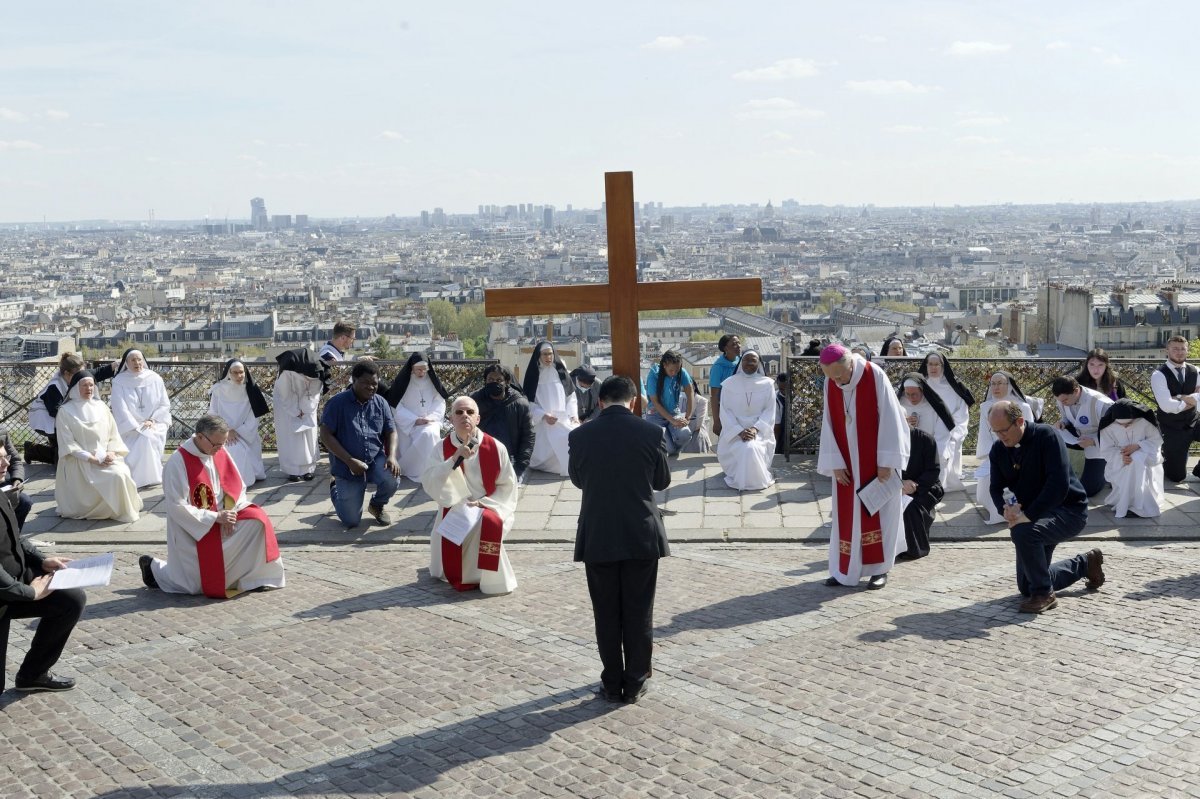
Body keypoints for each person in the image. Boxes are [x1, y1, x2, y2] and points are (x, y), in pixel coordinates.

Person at [569, 376, 671, 703]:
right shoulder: (652, 432)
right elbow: (661, 480)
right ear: (634, 400)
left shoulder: (580, 435)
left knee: (606, 612)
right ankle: (637, 679)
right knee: (639, 611)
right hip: (640, 531)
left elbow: (578, 479)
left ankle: (612, 682)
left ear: (600, 401)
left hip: (598, 531)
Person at [140, 415, 284, 597]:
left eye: (222, 444)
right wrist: (215, 518)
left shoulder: (219, 451)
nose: (220, 449)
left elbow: (236, 486)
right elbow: (176, 506)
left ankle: (253, 578)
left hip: (223, 515)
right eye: (216, 444)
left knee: (258, 521)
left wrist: (230, 513)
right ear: (200, 437)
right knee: (192, 586)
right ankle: (154, 569)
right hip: (194, 528)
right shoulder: (178, 462)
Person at [986, 400, 1104, 613]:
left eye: (1003, 430)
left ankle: (1044, 594)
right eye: (995, 432)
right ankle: (1085, 564)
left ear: (1020, 421)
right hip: (1036, 515)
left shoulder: (1047, 436)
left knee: (1023, 532)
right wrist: (1005, 509)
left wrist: (1027, 516)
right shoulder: (998, 449)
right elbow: (995, 487)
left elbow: (1058, 486)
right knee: (1025, 586)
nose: (1000, 437)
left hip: (1068, 510)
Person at [817, 344, 909, 590]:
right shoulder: (831, 383)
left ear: (849, 364)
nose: (837, 381)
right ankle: (844, 571)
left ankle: (880, 570)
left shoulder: (874, 375)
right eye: (831, 377)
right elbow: (828, 423)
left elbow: (892, 418)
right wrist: (834, 463)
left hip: (876, 464)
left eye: (839, 375)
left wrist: (887, 461)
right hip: (847, 464)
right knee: (846, 518)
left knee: (881, 516)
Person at [421, 396, 518, 594]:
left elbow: (508, 486)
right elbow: (430, 480)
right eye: (459, 412)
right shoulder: (441, 448)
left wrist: (484, 503)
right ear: (450, 419)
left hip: (488, 504)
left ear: (478, 419)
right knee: (456, 526)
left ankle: (488, 578)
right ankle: (460, 573)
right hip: (454, 504)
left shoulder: (496, 448)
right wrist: (453, 459)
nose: (465, 416)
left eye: (470, 412)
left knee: (487, 523)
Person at [1, 492, 85, 693]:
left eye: (5, 457)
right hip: (5, 592)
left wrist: (40, 560)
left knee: (71, 600)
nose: (6, 463)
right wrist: (30, 593)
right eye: (0, 459)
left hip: (16, 579)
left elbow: (14, 536)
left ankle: (33, 674)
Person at [319, 361, 400, 527]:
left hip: (374, 458)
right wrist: (349, 461)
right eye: (365, 383)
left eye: (374, 384)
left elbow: (391, 431)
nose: (371, 387)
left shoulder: (380, 403)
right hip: (346, 464)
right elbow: (325, 435)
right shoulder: (336, 403)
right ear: (353, 380)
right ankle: (335, 487)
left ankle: (377, 505)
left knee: (392, 478)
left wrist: (391, 456)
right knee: (351, 520)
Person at [54, 371, 142, 523]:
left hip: (105, 457)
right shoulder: (64, 412)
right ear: (75, 387)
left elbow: (113, 435)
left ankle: (120, 508)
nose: (88, 389)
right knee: (116, 476)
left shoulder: (102, 407)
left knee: (122, 473)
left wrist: (112, 453)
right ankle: (111, 509)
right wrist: (92, 459)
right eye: (84, 386)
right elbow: (68, 444)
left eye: (91, 385)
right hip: (80, 461)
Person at [975, 372, 1036, 524]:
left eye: (1000, 383)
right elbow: (984, 435)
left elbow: (1028, 434)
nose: (996, 387)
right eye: (993, 384)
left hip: (1020, 453)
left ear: (1009, 385)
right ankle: (1001, 510)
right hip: (995, 453)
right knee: (984, 493)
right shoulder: (985, 407)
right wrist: (992, 455)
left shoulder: (1023, 407)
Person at [109, 348, 171, 488]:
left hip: (155, 422)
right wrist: (135, 426)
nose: (137, 363)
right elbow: (120, 408)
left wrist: (152, 420)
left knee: (147, 436)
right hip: (130, 426)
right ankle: (139, 477)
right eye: (133, 360)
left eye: (139, 359)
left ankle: (151, 477)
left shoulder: (155, 378)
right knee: (144, 437)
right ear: (126, 363)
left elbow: (164, 403)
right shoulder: (119, 381)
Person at [384, 352, 449, 481]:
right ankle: (411, 469)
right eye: (418, 370)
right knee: (422, 435)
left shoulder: (431, 382)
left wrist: (431, 417)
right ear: (412, 369)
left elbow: (440, 401)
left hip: (430, 421)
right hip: (408, 423)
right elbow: (395, 405)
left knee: (428, 434)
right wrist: (414, 420)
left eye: (425, 369)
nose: (422, 373)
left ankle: (429, 469)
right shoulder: (404, 383)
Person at [716, 351, 776, 491]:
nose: (748, 363)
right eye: (745, 360)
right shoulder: (729, 384)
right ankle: (750, 480)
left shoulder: (768, 384)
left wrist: (755, 429)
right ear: (741, 363)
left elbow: (769, 411)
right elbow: (725, 412)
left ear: (759, 363)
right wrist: (739, 431)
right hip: (734, 430)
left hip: (760, 430)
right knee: (747, 448)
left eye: (752, 360)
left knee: (750, 447)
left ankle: (747, 480)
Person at [1098, 400, 1165, 518]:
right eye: (1121, 424)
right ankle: (1135, 504)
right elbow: (1106, 450)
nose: (1125, 427)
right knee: (1133, 462)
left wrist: (1139, 445)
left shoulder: (1144, 422)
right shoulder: (1108, 427)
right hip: (1119, 460)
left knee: (1137, 459)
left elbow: (1156, 441)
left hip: (1145, 456)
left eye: (1129, 423)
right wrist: (1121, 457)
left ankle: (1136, 505)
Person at [207, 359, 269, 486]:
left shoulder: (251, 390)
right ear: (228, 373)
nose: (239, 376)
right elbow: (213, 413)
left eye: (241, 372)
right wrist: (226, 431)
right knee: (233, 450)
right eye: (235, 373)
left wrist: (239, 431)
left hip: (246, 433)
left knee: (242, 452)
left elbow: (254, 416)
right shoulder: (218, 390)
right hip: (223, 433)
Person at [897, 372, 961, 492]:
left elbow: (942, 433)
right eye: (908, 394)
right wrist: (903, 424)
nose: (911, 398)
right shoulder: (899, 405)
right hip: (905, 448)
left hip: (929, 449)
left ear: (922, 391)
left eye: (915, 394)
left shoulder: (934, 406)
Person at [918, 352, 974, 489]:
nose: (933, 368)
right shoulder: (920, 385)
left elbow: (961, 414)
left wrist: (949, 430)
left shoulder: (953, 388)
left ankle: (941, 484)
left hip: (949, 430)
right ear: (926, 366)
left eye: (937, 364)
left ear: (943, 366)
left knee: (944, 446)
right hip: (924, 428)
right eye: (930, 364)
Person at [1051, 375, 1114, 497]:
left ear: (1076, 391)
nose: (1062, 404)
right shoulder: (1062, 398)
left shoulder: (1102, 404)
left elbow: (1116, 433)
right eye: (1059, 401)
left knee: (1088, 490)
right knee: (1050, 436)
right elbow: (1067, 416)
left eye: (1064, 401)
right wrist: (1063, 423)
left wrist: (1094, 441)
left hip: (1102, 444)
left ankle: (1108, 471)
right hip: (1080, 438)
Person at [522, 341, 578, 476]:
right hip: (543, 423)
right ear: (539, 356)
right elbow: (527, 403)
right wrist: (543, 415)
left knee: (574, 439)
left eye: (551, 354)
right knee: (546, 457)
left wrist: (573, 415)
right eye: (545, 354)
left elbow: (570, 396)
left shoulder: (560, 372)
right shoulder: (533, 376)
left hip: (562, 420)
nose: (548, 357)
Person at [274, 348, 330, 482]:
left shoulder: (317, 370)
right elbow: (285, 394)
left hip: (308, 407)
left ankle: (309, 469)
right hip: (286, 408)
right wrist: (295, 411)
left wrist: (306, 409)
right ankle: (292, 471)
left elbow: (315, 391)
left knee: (309, 438)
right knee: (290, 439)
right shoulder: (288, 372)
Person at [1149, 335, 1200, 483]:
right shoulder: (1158, 375)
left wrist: (1179, 397)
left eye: (1183, 349)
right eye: (1175, 349)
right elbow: (1167, 406)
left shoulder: (1195, 371)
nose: (1179, 352)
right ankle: (1166, 458)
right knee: (1177, 477)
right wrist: (1191, 400)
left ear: (1187, 351)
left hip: (1193, 421)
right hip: (1171, 428)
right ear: (1167, 350)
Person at [470, 365, 535, 480]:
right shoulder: (474, 401)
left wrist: (520, 467)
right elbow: (467, 430)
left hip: (510, 459)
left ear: (507, 382)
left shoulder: (520, 404)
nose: (494, 383)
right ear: (485, 381)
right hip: (481, 457)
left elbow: (528, 436)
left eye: (499, 380)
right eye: (490, 379)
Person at [899, 426, 943, 561]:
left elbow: (933, 470)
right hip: (894, 485)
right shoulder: (885, 439)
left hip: (923, 487)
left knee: (910, 506)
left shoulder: (925, 439)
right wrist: (898, 482)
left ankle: (915, 548)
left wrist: (915, 486)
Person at [645, 350, 695, 456]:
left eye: (677, 370)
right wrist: (673, 421)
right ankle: (668, 450)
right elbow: (656, 402)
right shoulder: (654, 375)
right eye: (671, 370)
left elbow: (690, 392)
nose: (674, 373)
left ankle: (670, 450)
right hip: (656, 414)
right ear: (664, 365)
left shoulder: (681, 372)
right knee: (669, 449)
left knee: (685, 435)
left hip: (673, 412)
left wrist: (687, 417)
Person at [709, 334, 742, 438]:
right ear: (725, 348)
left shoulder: (742, 361)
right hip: (725, 411)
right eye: (734, 344)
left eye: (738, 343)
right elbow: (714, 396)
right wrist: (716, 421)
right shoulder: (718, 367)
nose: (738, 346)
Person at [0, 429, 33, 530]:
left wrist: (17, 480)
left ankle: (13, 539)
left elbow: (15, 461)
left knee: (23, 501)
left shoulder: (2, 432)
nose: (7, 463)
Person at [774, 373, 788, 454]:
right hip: (781, 429)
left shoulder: (799, 395)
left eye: (786, 388)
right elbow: (777, 425)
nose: (784, 391)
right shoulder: (775, 397)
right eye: (781, 389)